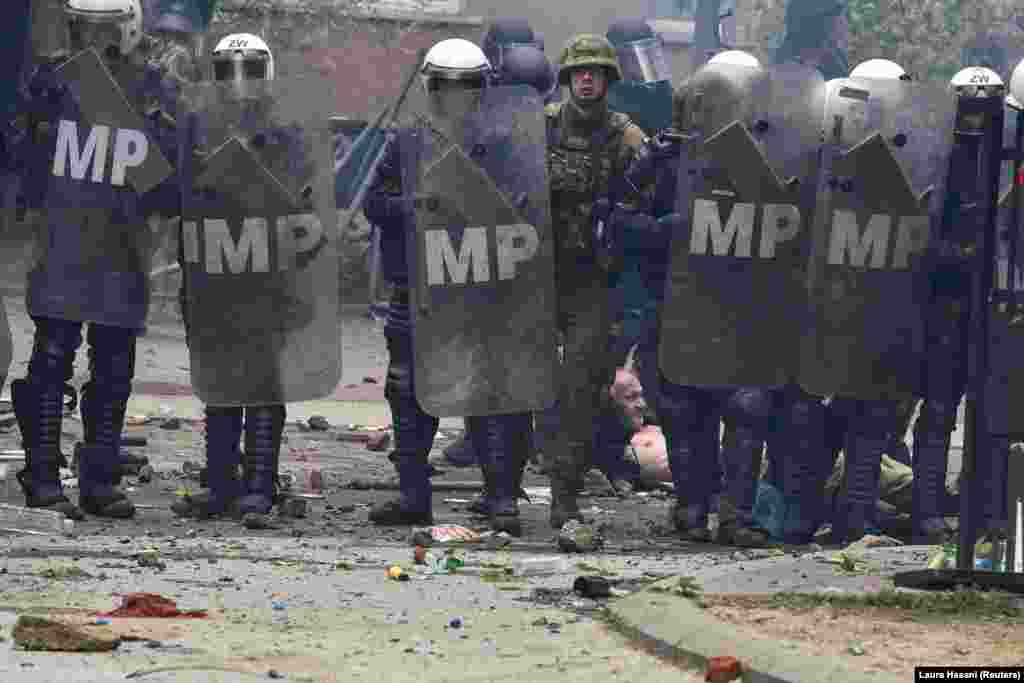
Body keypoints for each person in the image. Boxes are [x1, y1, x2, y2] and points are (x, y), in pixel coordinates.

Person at [364, 38, 544, 535]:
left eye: (465, 86)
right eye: (445, 85)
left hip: (482, 283)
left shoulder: (507, 141)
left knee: (490, 391)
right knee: (408, 388)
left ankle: (501, 499)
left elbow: (527, 213)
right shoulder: (409, 139)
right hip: (420, 285)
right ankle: (413, 496)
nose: (455, 95)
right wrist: (421, 209)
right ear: (431, 86)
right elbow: (375, 203)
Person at [12, 0, 180, 520]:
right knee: (51, 361)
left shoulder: (151, 88)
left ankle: (99, 480)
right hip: (65, 240)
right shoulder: (54, 81)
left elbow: (165, 186)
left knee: (111, 369)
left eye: (103, 30)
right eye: (86, 28)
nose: (96, 41)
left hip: (119, 246)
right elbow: (24, 163)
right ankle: (42, 475)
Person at [170, 33, 290, 523]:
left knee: (261, 381)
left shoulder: (286, 129)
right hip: (212, 268)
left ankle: (259, 487)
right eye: (227, 70)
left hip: (264, 269)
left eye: (249, 70)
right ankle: (221, 485)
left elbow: (305, 196)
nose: (238, 82)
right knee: (220, 381)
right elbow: (179, 193)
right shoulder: (197, 125)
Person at [544, 34, 649, 528]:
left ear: (609, 79)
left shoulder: (628, 140)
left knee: (581, 390)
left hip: (594, 283)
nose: (587, 78)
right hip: (537, 277)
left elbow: (654, 206)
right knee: (517, 382)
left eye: (596, 71)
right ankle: (500, 491)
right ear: (568, 78)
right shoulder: (540, 128)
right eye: (579, 71)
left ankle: (565, 493)